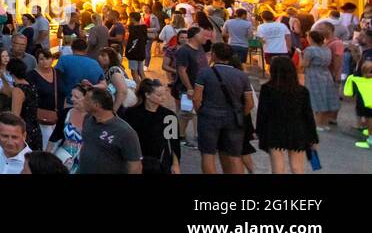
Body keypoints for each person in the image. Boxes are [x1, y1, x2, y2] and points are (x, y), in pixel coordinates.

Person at [193, 41, 254, 174]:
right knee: (234, 156)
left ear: (214, 55)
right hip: (233, 117)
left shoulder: (204, 73)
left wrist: (200, 112)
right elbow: (250, 103)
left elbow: (197, 98)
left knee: (208, 154)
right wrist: (240, 114)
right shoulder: (241, 75)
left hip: (209, 116)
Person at [255, 56, 318, 174]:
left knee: (277, 167)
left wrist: (259, 131)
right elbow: (308, 115)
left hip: (275, 130)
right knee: (297, 167)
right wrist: (313, 136)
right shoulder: (302, 91)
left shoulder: (267, 89)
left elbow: (262, 113)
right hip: (297, 130)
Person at [119, 78, 181, 174]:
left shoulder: (169, 116)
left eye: (164, 94)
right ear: (147, 95)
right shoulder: (130, 114)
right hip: (136, 161)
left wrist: (175, 165)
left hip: (160, 162)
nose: (163, 98)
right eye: (159, 95)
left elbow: (174, 143)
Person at [77, 86, 141, 174]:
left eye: (87, 100)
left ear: (96, 105)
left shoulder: (126, 132)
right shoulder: (88, 119)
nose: (82, 101)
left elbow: (135, 167)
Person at [300, 28, 340, 129]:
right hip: (326, 73)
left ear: (311, 39)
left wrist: (300, 56)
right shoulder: (326, 49)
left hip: (313, 74)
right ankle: (325, 123)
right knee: (326, 97)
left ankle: (318, 123)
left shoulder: (310, 50)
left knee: (316, 98)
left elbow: (305, 64)